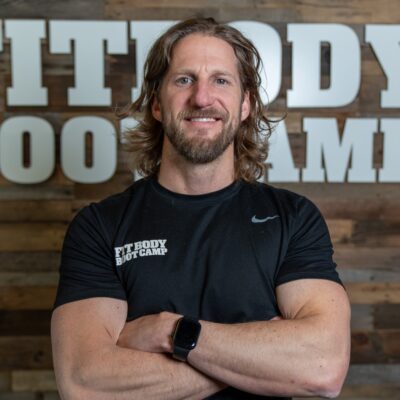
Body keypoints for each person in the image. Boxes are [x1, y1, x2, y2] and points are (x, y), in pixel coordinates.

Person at [51, 17, 351, 399]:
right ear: (157, 103)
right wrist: (261, 361)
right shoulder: (99, 226)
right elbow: (84, 382)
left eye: (221, 81)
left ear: (245, 104)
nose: (203, 98)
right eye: (184, 79)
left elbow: (323, 367)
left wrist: (172, 332)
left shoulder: (293, 218)